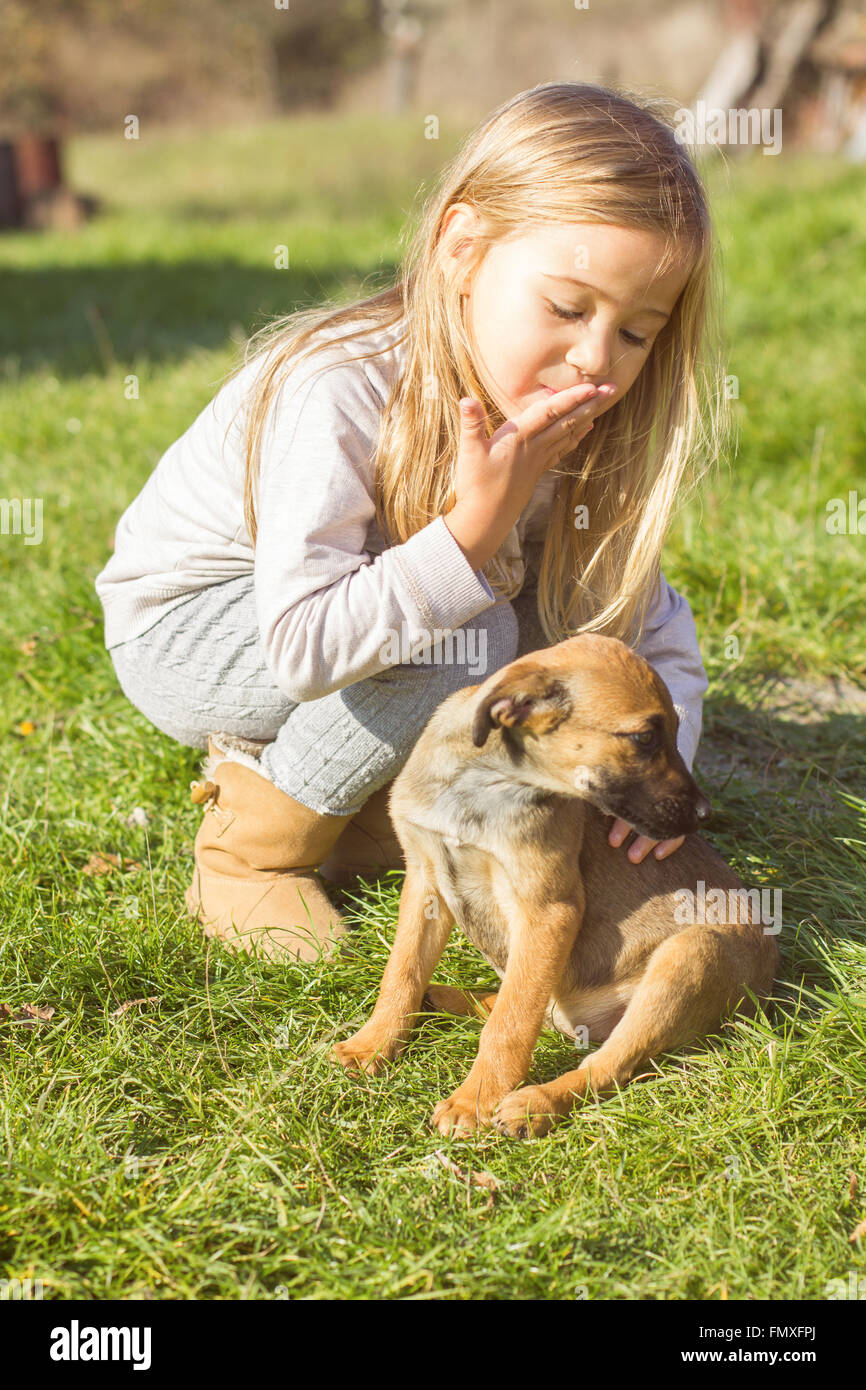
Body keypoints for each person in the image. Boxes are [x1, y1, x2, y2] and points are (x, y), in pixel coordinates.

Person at [94, 82, 721, 964]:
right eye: (569, 308)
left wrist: (661, 770)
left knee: (543, 631)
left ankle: (367, 823)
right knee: (471, 633)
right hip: (201, 631)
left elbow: (639, 631)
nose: (597, 358)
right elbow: (301, 648)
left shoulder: (577, 419)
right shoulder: (341, 390)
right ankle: (254, 845)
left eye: (637, 331)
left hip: (354, 634)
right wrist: (470, 533)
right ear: (462, 250)